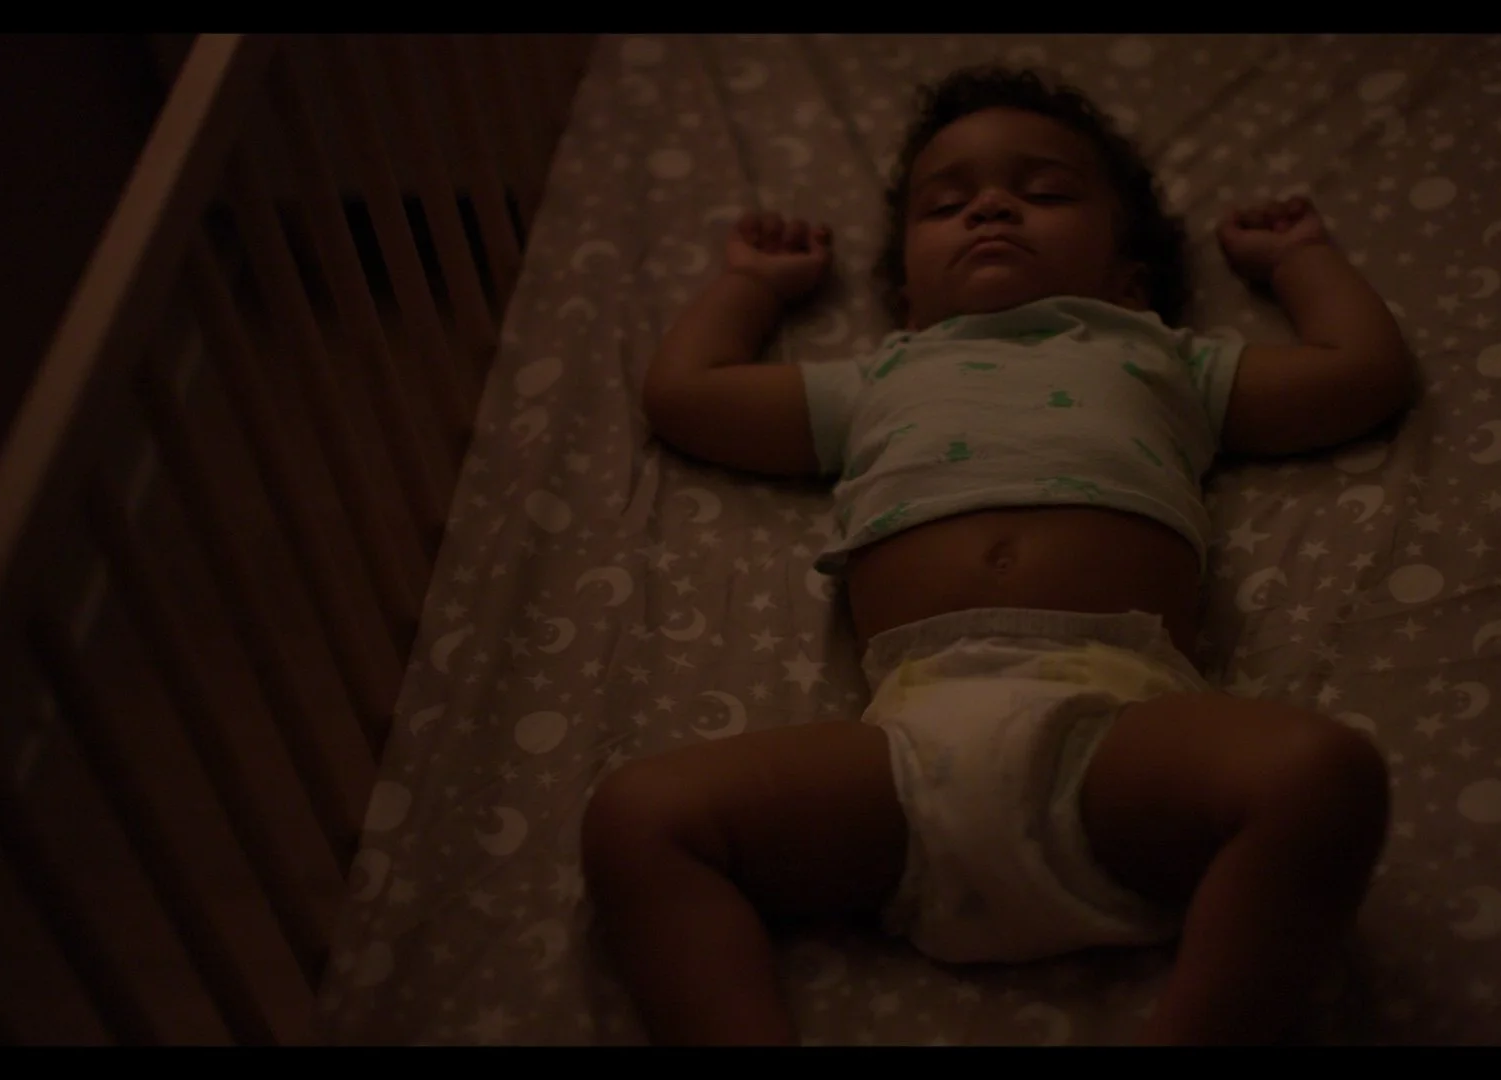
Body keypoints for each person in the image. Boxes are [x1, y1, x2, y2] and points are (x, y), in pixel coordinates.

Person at [580, 63, 1416, 1045]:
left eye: (1045, 192)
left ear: (1128, 275)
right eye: (948, 203)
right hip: (907, 749)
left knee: (1323, 775)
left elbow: (1360, 376)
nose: (990, 208)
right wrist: (750, 288)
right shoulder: (882, 376)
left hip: (1119, 730)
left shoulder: (1158, 355)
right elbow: (688, 395)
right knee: (637, 817)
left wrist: (1299, 261)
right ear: (903, 290)